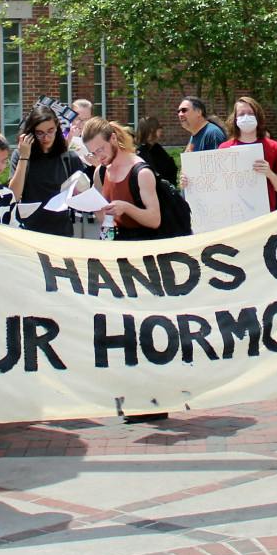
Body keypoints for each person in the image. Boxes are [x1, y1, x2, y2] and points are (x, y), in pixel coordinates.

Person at [82, 117, 183, 423]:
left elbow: (154, 219)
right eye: (93, 152)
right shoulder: (103, 171)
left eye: (101, 149)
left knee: (148, 328)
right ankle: (136, 396)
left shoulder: (141, 171)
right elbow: (105, 212)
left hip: (145, 253)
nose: (99, 156)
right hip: (119, 252)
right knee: (125, 329)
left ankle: (154, 399)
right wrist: (104, 212)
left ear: (114, 138)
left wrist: (125, 208)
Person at [7, 103, 85, 237]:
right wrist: (24, 156)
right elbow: (13, 195)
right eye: (40, 133)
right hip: (28, 231)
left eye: (50, 131)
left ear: (57, 128)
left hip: (61, 232)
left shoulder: (68, 157)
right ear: (30, 134)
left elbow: (83, 196)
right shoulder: (21, 155)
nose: (46, 138)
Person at [220, 94, 277, 212]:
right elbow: (217, 187)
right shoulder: (225, 148)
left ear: (258, 117)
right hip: (236, 214)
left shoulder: (272, 146)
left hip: (267, 215)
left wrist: (269, 173)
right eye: (241, 114)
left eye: (250, 113)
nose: (246, 117)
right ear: (235, 119)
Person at [133, 114, 178, 186]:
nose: (161, 130)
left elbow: (171, 168)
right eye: (159, 127)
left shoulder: (156, 148)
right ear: (151, 130)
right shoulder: (140, 152)